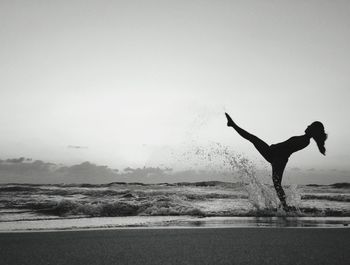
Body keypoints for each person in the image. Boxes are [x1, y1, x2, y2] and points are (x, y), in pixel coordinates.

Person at [225, 112, 327, 211]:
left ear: (313, 130)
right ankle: (284, 206)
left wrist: (276, 148)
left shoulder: (305, 141)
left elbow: (287, 148)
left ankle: (284, 206)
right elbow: (286, 146)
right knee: (253, 139)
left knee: (277, 184)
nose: (308, 126)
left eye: (311, 126)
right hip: (274, 154)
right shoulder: (304, 139)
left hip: (278, 158)